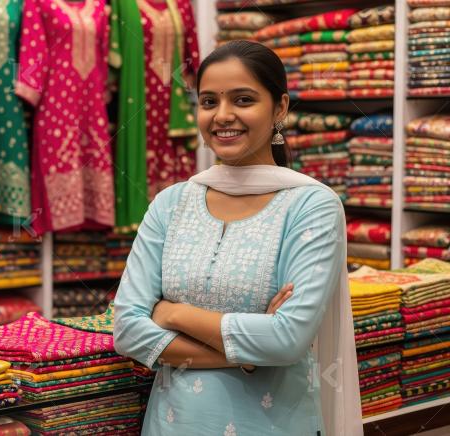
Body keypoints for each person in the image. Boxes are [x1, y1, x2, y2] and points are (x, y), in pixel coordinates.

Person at [113, 40, 362, 435]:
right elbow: (127, 329)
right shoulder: (171, 204)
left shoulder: (312, 206)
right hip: (172, 424)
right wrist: (248, 354)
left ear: (279, 108)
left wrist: (173, 314)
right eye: (209, 101)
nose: (222, 116)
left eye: (243, 100)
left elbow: (288, 339)